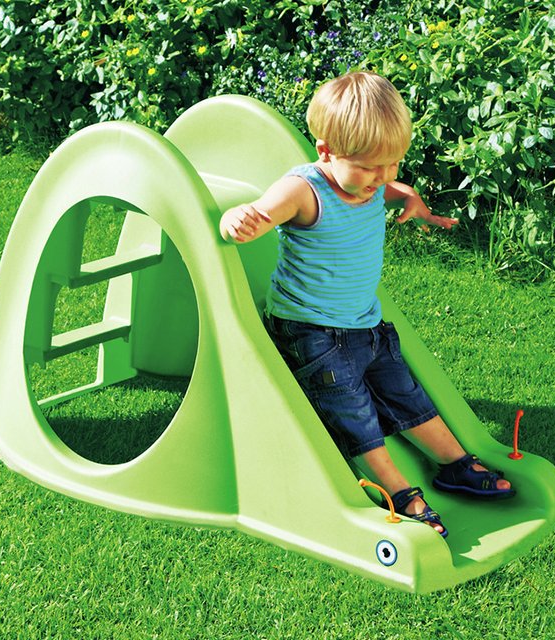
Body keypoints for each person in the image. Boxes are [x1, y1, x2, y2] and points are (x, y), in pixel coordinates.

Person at [219, 71, 514, 538]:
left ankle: (455, 464)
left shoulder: (368, 183)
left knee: (405, 393)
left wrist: (409, 195)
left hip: (365, 325)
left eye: (391, 165)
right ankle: (398, 492)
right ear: (325, 152)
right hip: (309, 330)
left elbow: (387, 188)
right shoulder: (304, 189)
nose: (381, 179)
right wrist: (240, 220)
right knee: (352, 409)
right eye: (370, 168)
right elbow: (263, 210)